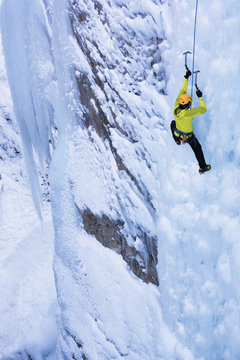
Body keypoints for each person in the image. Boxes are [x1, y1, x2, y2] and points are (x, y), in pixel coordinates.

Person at [170, 69, 211, 174]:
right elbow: (203, 109)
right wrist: (200, 97)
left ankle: (177, 139)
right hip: (188, 137)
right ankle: (203, 167)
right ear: (187, 104)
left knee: (172, 123)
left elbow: (182, 91)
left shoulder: (176, 107)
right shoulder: (188, 113)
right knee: (198, 149)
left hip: (177, 133)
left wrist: (186, 77)